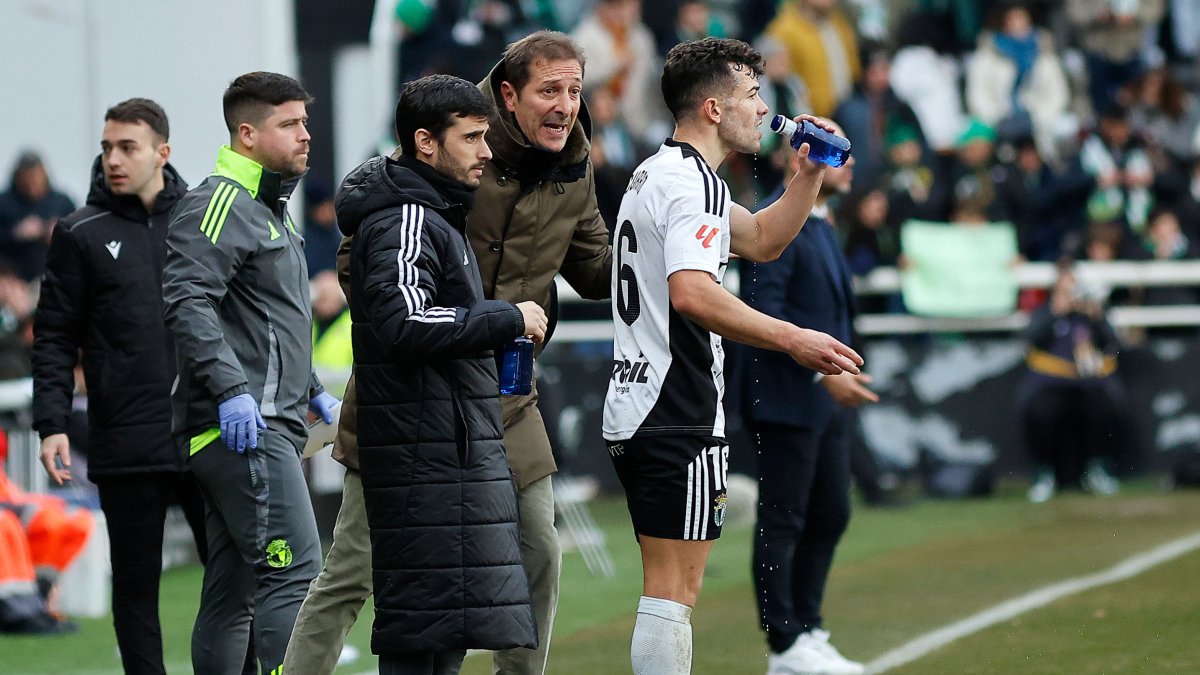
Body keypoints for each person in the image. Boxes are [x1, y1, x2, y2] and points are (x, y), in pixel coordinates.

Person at [284, 31, 613, 675]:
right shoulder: (440, 161)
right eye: (550, 90)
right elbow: (369, 273)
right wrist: (436, 331)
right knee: (355, 569)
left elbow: (598, 270)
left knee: (538, 552)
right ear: (508, 96)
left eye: (575, 91)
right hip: (412, 403)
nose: (566, 106)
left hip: (508, 401)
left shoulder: (574, 169)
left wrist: (674, 238)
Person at [602, 38, 863, 675]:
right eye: (751, 95)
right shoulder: (690, 183)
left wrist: (807, 174)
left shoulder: (671, 174)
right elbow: (692, 293)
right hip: (675, 402)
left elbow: (766, 240)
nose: (762, 109)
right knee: (673, 592)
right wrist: (793, 338)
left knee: (670, 588)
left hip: (648, 398)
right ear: (714, 108)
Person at [338, 72, 544, 675]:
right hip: (421, 458)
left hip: (442, 453)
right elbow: (404, 320)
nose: (486, 151)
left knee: (443, 630)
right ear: (425, 143)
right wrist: (506, 317)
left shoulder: (433, 211)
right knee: (419, 637)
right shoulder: (404, 216)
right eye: (473, 137)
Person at [162, 72, 336, 675]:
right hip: (245, 430)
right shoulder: (221, 201)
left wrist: (314, 391)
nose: (305, 136)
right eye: (289, 124)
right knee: (295, 575)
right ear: (247, 133)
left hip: (266, 426)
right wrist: (234, 392)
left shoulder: (268, 207)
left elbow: (263, 322)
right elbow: (188, 299)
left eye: (305, 123)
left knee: (234, 596)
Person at [29, 97, 208, 674]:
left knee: (234, 581)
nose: (113, 158)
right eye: (107, 147)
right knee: (135, 589)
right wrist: (51, 422)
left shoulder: (203, 220)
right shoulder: (80, 233)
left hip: (206, 433)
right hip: (126, 437)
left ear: (163, 152)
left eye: (127, 146)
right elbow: (54, 335)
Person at [738, 119, 877, 675]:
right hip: (786, 398)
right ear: (802, 157)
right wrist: (824, 375)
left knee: (831, 513)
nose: (848, 160)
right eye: (836, 149)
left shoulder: (820, 222)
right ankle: (785, 644)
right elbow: (763, 310)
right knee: (784, 519)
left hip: (823, 402)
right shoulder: (777, 221)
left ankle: (809, 629)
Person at [1021, 260, 1126, 503]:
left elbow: (1116, 346)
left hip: (1090, 384)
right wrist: (1055, 313)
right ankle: (1043, 473)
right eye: (1064, 289)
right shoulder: (1046, 312)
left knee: (1104, 407)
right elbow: (1029, 340)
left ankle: (1098, 469)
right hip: (1051, 384)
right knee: (1041, 411)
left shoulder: (1090, 313)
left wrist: (1097, 317)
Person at [0, 151, 76, 282]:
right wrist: (16, 233)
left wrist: (61, 233)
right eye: (28, 179)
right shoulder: (4, 203)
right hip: (15, 279)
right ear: (18, 178)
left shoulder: (62, 202)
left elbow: (82, 237)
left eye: (36, 178)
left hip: (58, 278)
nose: (32, 184)